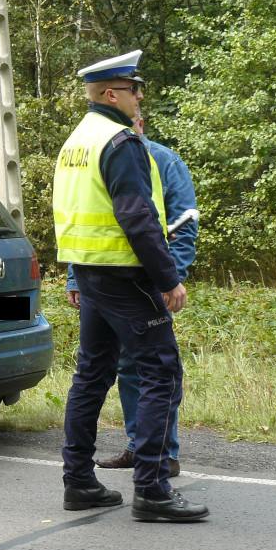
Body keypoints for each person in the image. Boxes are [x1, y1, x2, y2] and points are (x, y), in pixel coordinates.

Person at [52, 49, 208, 522]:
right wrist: (168, 279)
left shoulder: (76, 141)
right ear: (111, 93)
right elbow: (137, 217)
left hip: (91, 275)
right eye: (135, 89)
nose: (141, 97)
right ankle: (154, 490)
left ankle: (78, 481)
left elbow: (72, 217)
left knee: (92, 375)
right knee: (163, 372)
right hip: (126, 276)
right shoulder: (120, 141)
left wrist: (77, 275)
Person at [67, 113, 198, 477]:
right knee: (129, 369)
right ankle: (140, 455)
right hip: (107, 277)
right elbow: (81, 221)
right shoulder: (107, 149)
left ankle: (160, 457)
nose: (133, 123)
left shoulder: (164, 160)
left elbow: (183, 227)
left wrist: (169, 280)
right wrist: (73, 279)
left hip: (142, 280)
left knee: (147, 371)